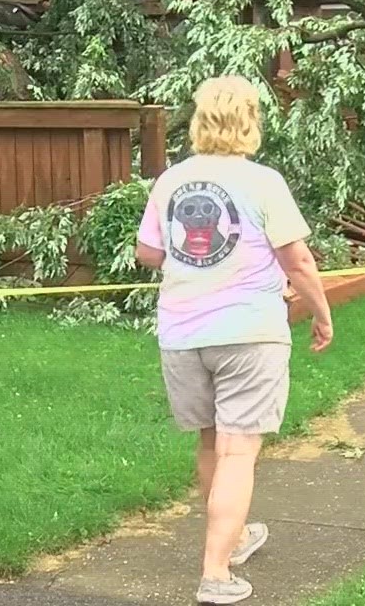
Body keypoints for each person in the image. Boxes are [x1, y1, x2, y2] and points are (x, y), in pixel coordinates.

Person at [136, 75, 334, 606]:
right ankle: (216, 573)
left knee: (210, 442)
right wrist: (321, 312)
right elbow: (298, 259)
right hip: (249, 332)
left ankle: (237, 535)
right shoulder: (264, 182)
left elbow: (149, 253)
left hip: (182, 334)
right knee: (239, 452)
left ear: (200, 121)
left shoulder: (171, 180)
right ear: (251, 121)